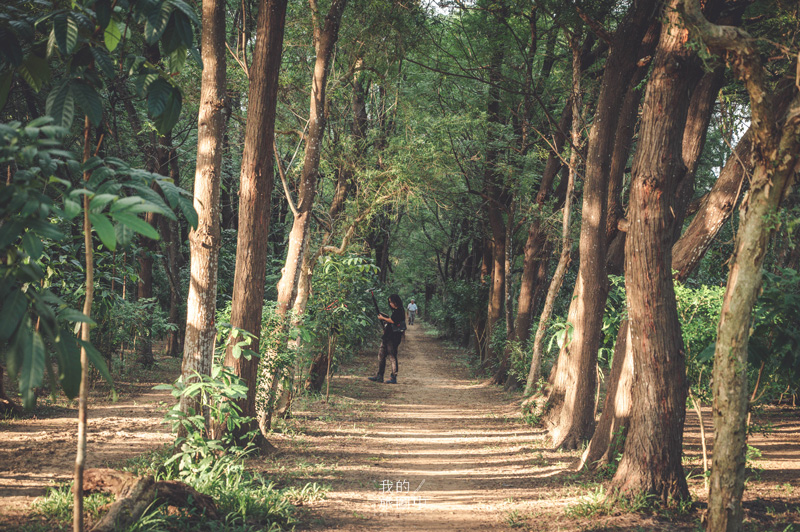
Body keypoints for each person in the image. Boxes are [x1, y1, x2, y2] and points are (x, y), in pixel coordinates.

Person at [368, 294, 405, 384]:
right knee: (381, 355)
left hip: (393, 338)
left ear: (396, 302)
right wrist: (385, 318)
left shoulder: (400, 310)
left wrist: (382, 318)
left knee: (392, 356)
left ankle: (393, 377)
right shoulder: (395, 311)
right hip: (387, 336)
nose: (390, 304)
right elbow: (391, 320)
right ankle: (380, 375)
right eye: (389, 302)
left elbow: (393, 321)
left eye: (391, 302)